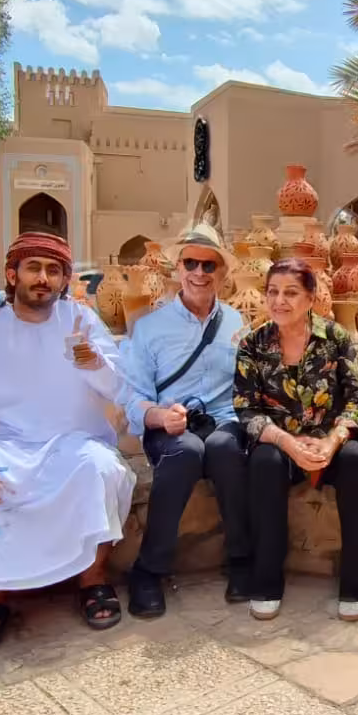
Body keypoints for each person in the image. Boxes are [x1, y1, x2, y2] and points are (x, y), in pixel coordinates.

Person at [0, 231, 135, 655]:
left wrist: (93, 362)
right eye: (34, 268)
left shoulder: (81, 321)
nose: (43, 278)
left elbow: (119, 385)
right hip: (4, 443)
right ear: (13, 275)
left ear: (63, 279)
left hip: (70, 442)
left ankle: (93, 579)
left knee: (100, 470)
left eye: (53, 270)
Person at [234, 258, 358, 622]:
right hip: (280, 441)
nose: (279, 301)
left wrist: (331, 441)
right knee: (264, 464)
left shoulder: (335, 338)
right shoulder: (252, 344)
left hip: (328, 441)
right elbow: (246, 410)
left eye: (291, 293)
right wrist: (287, 443)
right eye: (273, 292)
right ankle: (265, 583)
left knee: (355, 461)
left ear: (311, 298)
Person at [120, 223, 250, 617]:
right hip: (170, 428)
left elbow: (248, 385)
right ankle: (148, 571)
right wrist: (160, 416)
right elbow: (133, 397)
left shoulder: (236, 323)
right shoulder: (149, 328)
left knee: (226, 448)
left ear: (221, 273)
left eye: (209, 265)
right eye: (191, 263)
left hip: (222, 421)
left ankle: (242, 560)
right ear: (178, 268)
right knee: (186, 452)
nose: (199, 273)